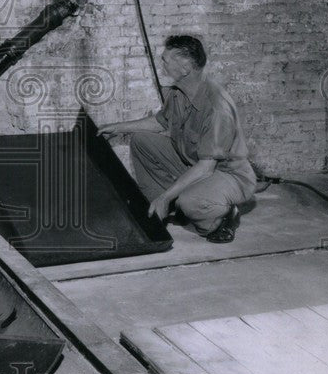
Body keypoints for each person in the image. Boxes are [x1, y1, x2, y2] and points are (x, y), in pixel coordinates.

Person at [98, 35, 255, 243]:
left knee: (190, 203)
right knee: (141, 141)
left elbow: (207, 167)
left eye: (166, 60)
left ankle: (224, 216)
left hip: (228, 175)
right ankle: (160, 208)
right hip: (194, 163)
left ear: (185, 68)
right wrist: (118, 128)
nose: (162, 63)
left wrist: (167, 196)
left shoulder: (217, 108)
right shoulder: (179, 92)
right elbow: (161, 122)